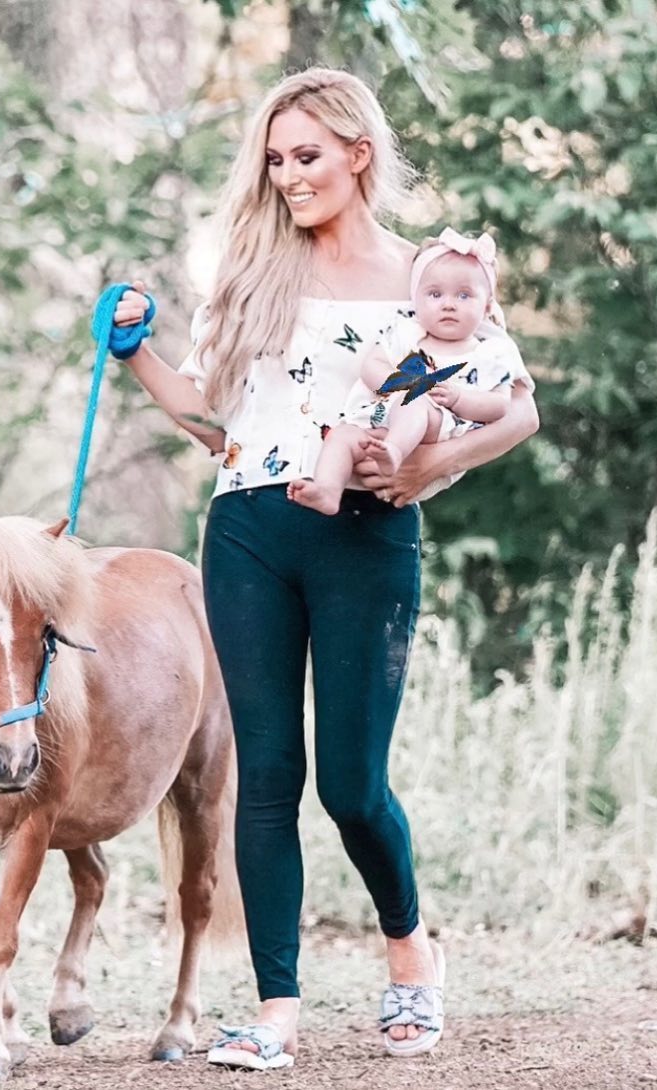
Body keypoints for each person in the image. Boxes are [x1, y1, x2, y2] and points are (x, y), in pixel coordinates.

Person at [113, 67, 539, 1069]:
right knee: (263, 775)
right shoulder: (252, 272)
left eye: (304, 154)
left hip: (365, 536)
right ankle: (274, 1014)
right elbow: (210, 419)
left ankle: (410, 959)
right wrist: (132, 351)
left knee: (350, 785)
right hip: (250, 528)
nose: (287, 174)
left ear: (356, 152)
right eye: (272, 159)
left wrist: (433, 461)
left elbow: (514, 406)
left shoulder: (426, 275)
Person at [288, 228, 534, 515]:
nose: (448, 304)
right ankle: (328, 491)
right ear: (416, 300)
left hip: (434, 421)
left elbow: (500, 405)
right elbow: (372, 366)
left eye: (464, 295)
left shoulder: (490, 352)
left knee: (415, 403)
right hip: (379, 419)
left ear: (488, 305)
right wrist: (400, 384)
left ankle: (394, 450)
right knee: (341, 436)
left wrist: (458, 398)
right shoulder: (406, 333)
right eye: (435, 294)